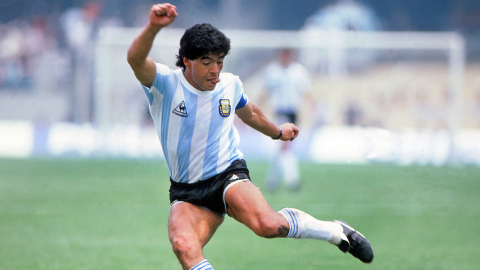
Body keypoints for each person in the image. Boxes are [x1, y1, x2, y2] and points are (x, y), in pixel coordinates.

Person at [127, 3, 373, 269]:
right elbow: (136, 60)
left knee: (268, 225)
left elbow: (250, 113)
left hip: (227, 175)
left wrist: (278, 132)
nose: (215, 71)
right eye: (207, 62)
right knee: (184, 248)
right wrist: (153, 27)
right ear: (187, 60)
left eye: (219, 62)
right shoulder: (165, 83)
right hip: (187, 191)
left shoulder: (230, 85)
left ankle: (336, 232)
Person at [261, 48, 311, 192]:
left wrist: (309, 108)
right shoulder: (272, 72)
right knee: (285, 147)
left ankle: (274, 180)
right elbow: (265, 91)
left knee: (284, 148)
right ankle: (290, 180)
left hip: (293, 112)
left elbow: (306, 91)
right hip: (280, 112)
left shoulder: (298, 72)